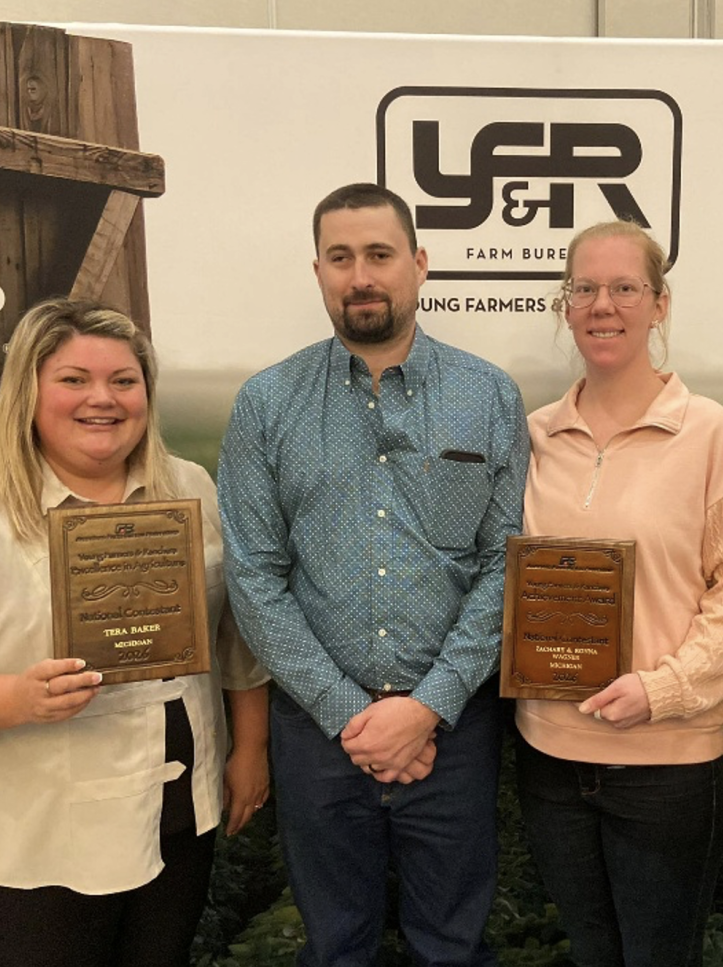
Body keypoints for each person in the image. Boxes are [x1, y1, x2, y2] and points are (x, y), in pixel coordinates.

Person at [0, 298, 271, 967]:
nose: (102, 399)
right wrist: (14, 698)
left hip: (179, 814)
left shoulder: (190, 489)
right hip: (40, 836)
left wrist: (250, 746)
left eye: (123, 381)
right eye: (74, 379)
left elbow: (235, 636)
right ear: (29, 392)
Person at [217, 182, 529, 967]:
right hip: (318, 737)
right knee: (336, 947)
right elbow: (255, 575)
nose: (361, 275)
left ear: (420, 265)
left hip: (453, 731)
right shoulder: (266, 402)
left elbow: (505, 563)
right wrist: (346, 713)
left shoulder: (488, 394)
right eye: (341, 257)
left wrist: (426, 709)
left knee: (451, 948)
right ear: (318, 270)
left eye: (380, 255)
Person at [513, 219, 723, 967]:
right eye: (585, 288)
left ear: (659, 305)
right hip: (550, 756)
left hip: (667, 765)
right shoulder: (531, 436)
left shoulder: (711, 433)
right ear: (565, 306)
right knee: (593, 951)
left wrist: (664, 690)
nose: (604, 305)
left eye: (625, 288)